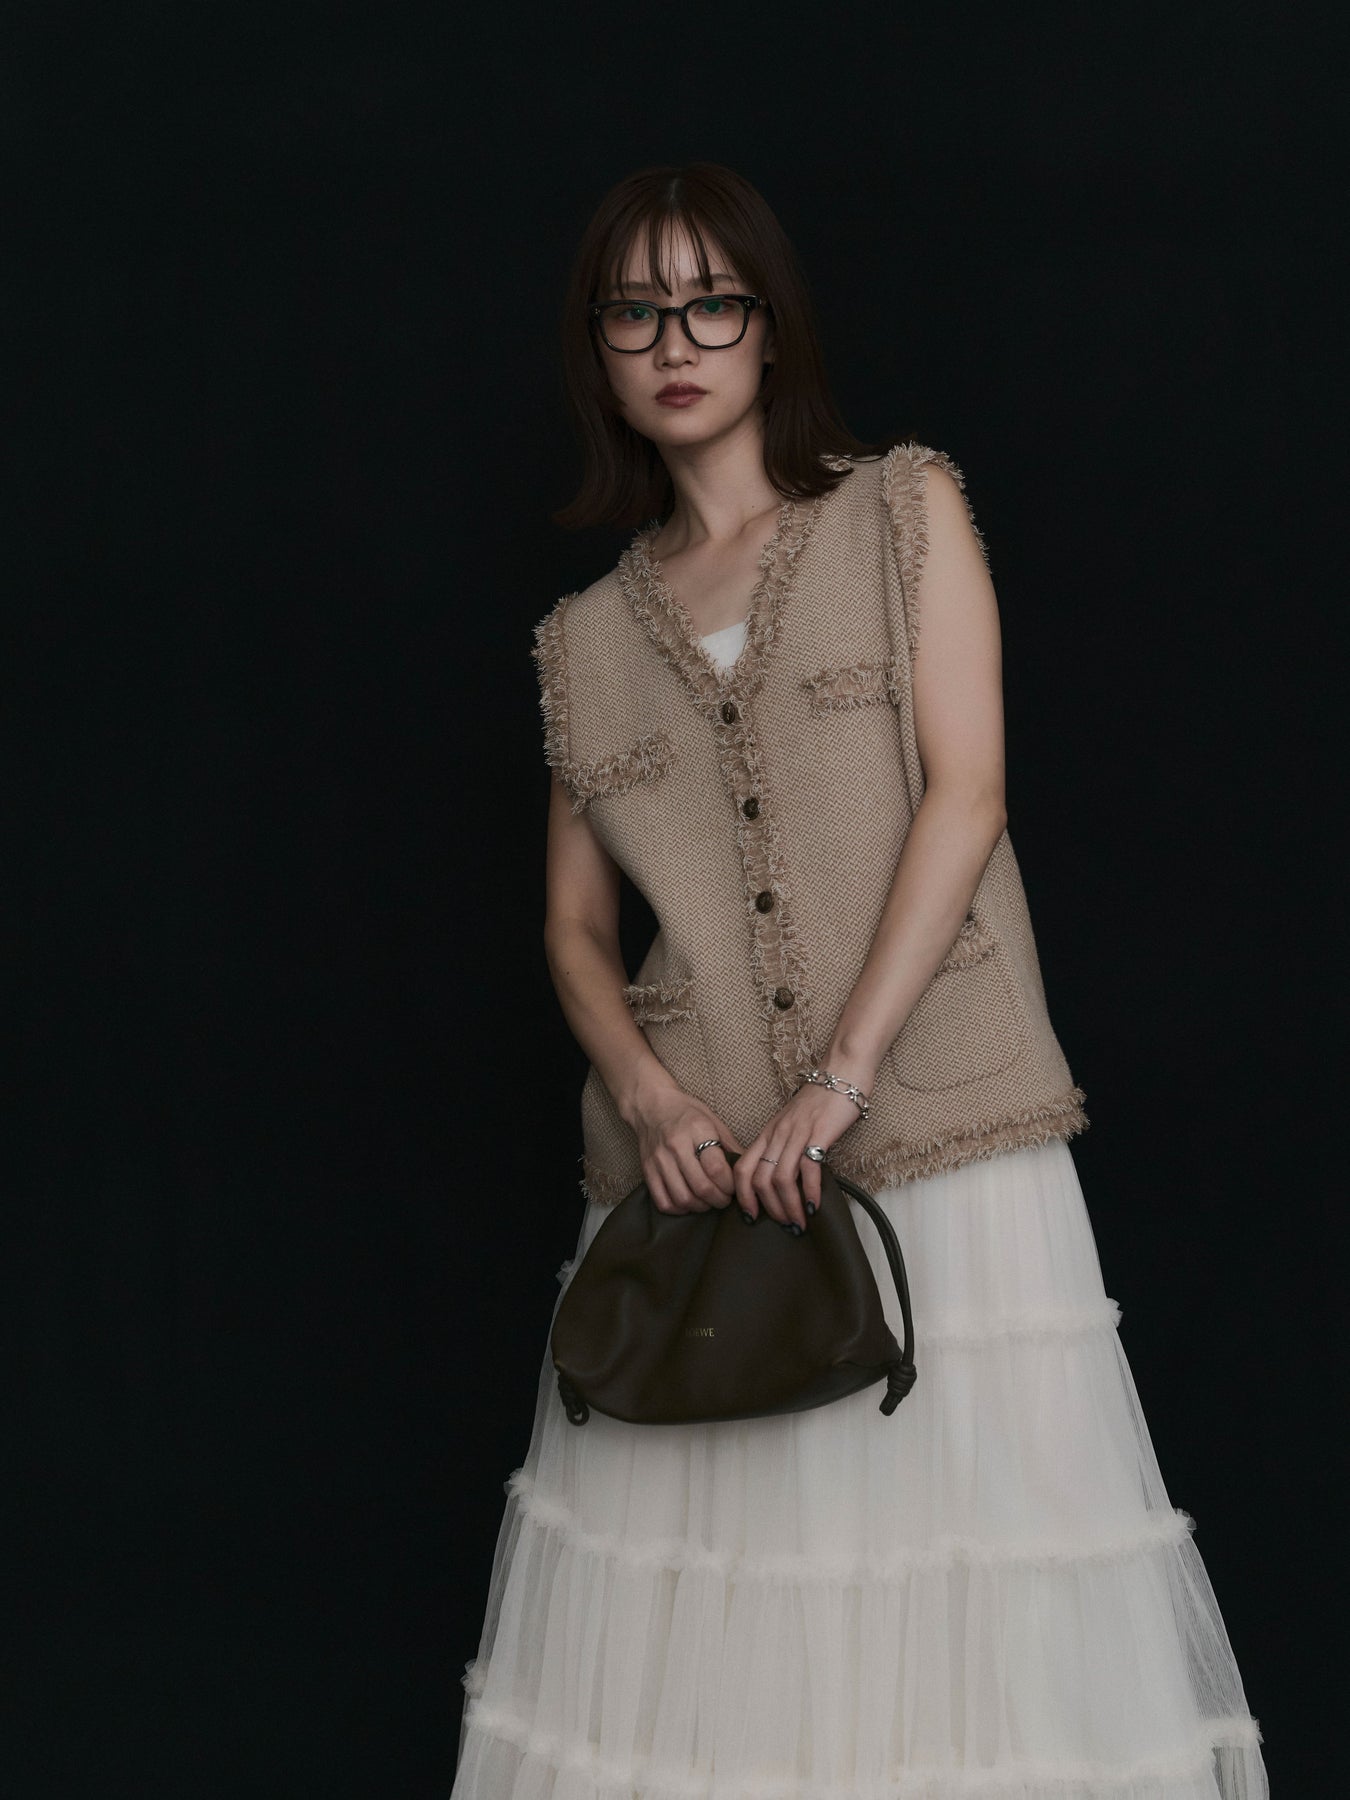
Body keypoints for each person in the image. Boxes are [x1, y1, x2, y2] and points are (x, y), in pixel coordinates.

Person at [451, 162, 1268, 1800]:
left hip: (937, 1131)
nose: (674, 341)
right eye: (633, 311)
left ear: (769, 327)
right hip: (700, 1181)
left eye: (710, 302)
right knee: (720, 1631)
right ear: (595, 348)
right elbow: (571, 933)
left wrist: (839, 1080)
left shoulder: (899, 510)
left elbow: (966, 796)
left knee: (976, 1585)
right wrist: (649, 1097)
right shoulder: (581, 640)